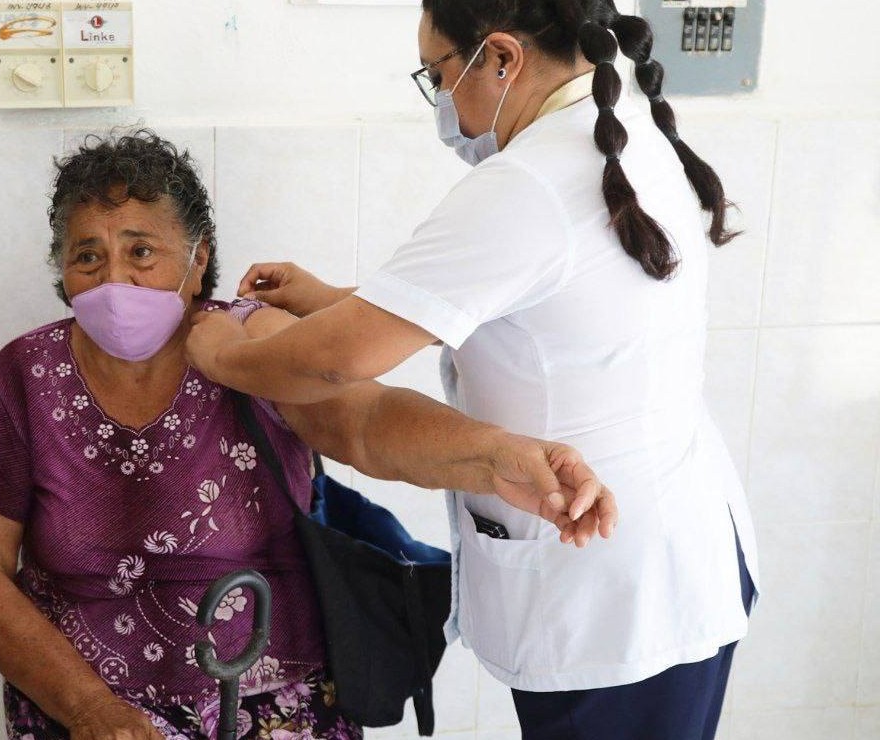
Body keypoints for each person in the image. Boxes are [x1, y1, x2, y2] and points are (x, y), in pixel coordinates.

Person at [184, 2, 758, 739]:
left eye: (438, 72)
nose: (439, 96)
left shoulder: (530, 183)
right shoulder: (617, 136)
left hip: (611, 589)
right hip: (672, 543)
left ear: (501, 58)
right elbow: (521, 302)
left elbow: (334, 364)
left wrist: (222, 351)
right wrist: (331, 300)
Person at [0, 130, 616, 740]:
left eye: (141, 251)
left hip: (271, 706)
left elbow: (366, 420)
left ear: (197, 261)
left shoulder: (250, 340)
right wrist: (91, 711)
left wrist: (494, 455)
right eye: (87, 256)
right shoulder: (28, 374)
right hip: (83, 715)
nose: (115, 279)